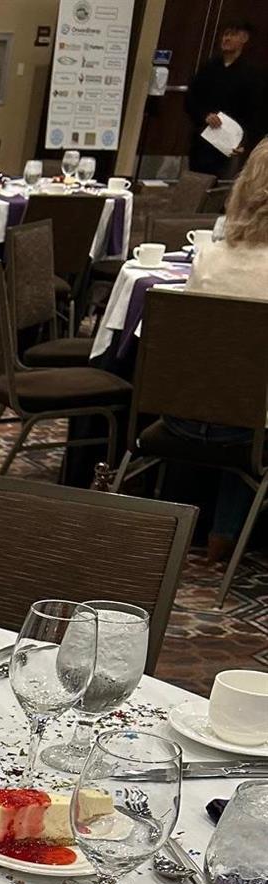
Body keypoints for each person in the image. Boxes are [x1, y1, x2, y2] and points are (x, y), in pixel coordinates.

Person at [168, 137, 268, 562]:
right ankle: (227, 534)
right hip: (248, 431)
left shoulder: (206, 259)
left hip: (179, 415)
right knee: (252, 397)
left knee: (237, 385)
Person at [185, 23, 263, 180]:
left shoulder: (252, 74)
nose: (226, 38)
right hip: (203, 137)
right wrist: (204, 115)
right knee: (196, 180)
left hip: (230, 142)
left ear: (244, 39)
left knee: (221, 183)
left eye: (232, 35)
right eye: (225, 34)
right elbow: (191, 99)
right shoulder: (209, 67)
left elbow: (256, 112)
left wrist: (245, 142)